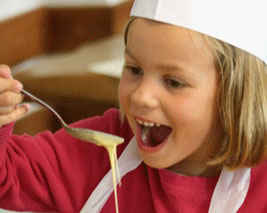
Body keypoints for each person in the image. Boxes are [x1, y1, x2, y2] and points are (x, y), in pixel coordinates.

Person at [0, 0, 266, 212]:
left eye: (173, 82)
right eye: (134, 69)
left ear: (236, 93)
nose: (140, 96)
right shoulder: (97, 153)